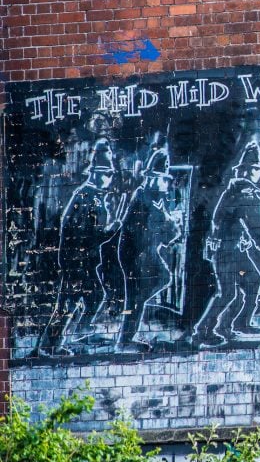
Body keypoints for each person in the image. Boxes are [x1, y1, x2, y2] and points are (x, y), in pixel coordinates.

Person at [191, 140, 260, 348]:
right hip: (229, 253)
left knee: (252, 281)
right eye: (256, 169)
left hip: (233, 251)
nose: (258, 173)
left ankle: (237, 323)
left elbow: (226, 222)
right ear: (248, 171)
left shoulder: (232, 191)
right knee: (228, 292)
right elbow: (257, 230)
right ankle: (204, 331)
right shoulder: (246, 195)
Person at [36, 139, 122, 356]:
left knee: (74, 302)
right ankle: (64, 339)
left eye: (111, 174)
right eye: (108, 174)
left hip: (81, 261)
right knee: (81, 300)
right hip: (77, 262)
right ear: (95, 173)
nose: (110, 179)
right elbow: (87, 234)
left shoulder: (91, 196)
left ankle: (52, 344)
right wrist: (112, 229)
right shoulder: (88, 197)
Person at [113, 148, 182, 353]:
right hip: (135, 254)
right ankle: (125, 341)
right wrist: (170, 224)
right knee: (137, 296)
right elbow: (163, 229)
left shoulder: (155, 200)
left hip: (146, 252)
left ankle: (127, 336)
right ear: (153, 179)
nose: (166, 184)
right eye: (162, 179)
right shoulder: (144, 198)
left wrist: (169, 226)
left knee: (161, 279)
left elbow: (168, 234)